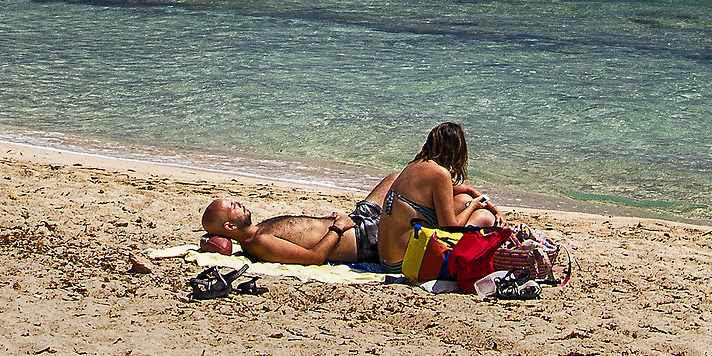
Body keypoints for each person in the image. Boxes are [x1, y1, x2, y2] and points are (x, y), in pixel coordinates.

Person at [373, 121, 501, 265]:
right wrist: (473, 206)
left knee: (462, 199)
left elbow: (465, 190)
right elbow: (450, 228)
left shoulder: (414, 166)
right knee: (484, 217)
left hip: (386, 260)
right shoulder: (440, 174)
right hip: (406, 264)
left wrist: (495, 209)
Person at [199, 197, 366, 264]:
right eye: (232, 206)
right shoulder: (259, 243)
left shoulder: (260, 228)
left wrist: (325, 220)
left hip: (354, 220)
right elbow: (315, 258)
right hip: (361, 238)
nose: (239, 203)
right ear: (230, 226)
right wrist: (338, 227)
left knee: (392, 179)